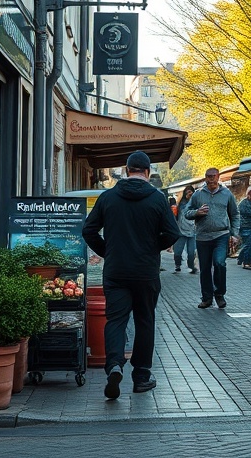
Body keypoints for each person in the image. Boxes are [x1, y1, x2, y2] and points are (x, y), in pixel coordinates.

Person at [82, 150, 180, 399]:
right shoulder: (157, 199)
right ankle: (142, 376)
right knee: (145, 320)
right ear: (147, 172)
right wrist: (150, 248)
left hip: (116, 271)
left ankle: (114, 365)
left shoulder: (109, 197)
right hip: (145, 271)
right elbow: (172, 233)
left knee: (115, 320)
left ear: (127, 171)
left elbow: (89, 230)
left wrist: (108, 251)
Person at [183, 167, 239, 309]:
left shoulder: (226, 194)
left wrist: (234, 233)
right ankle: (207, 298)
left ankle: (219, 294)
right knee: (205, 268)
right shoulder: (198, 195)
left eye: (213, 176)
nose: (211, 179)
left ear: (218, 177)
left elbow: (235, 214)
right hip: (202, 237)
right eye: (208, 176)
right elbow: (186, 213)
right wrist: (197, 212)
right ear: (205, 177)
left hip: (221, 235)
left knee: (220, 263)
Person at [173, 185, 198, 274]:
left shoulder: (196, 204)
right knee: (177, 252)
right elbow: (182, 213)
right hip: (181, 231)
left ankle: (191, 266)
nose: (189, 194)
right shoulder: (181, 204)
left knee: (191, 252)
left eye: (191, 192)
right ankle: (177, 265)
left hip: (193, 231)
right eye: (187, 193)